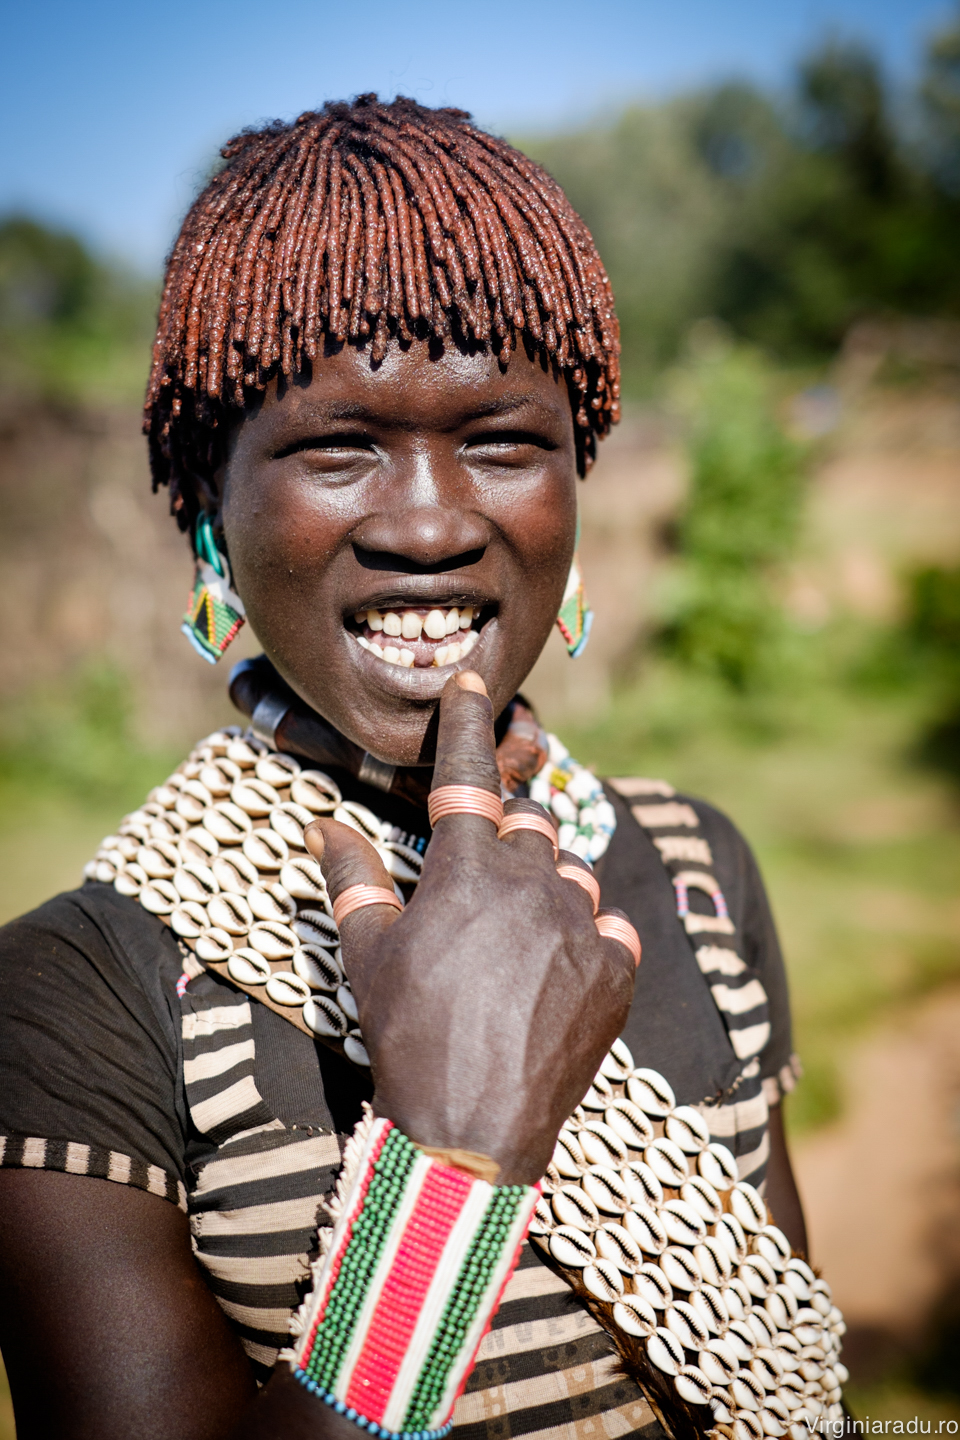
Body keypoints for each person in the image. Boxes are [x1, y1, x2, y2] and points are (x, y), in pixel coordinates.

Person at [0, 96, 829, 1440]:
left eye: (503, 442)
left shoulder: (693, 871)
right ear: (204, 511)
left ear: (577, 482)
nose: (433, 524)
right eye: (338, 448)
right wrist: (452, 1157)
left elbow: (789, 1384)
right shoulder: (69, 998)